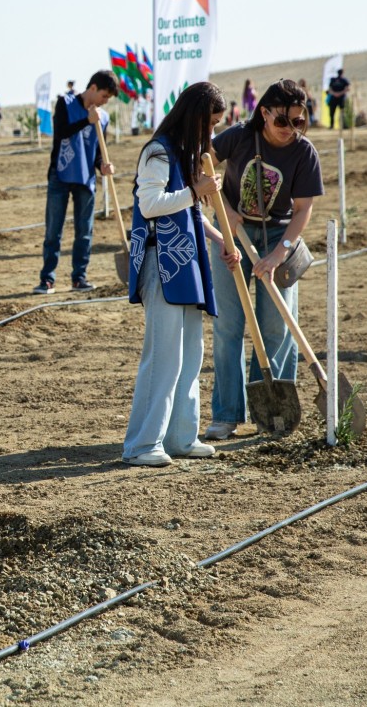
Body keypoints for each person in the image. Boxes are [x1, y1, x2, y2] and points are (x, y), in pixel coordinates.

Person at [122, 82, 236, 467]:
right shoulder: (157, 152)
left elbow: (191, 214)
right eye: (210, 124)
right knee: (163, 356)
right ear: (193, 117)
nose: (212, 132)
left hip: (188, 264)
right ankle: (142, 444)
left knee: (190, 354)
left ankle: (181, 437)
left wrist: (223, 241)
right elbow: (151, 205)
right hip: (162, 264)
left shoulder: (187, 155)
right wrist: (196, 189)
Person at [205, 79, 323, 441]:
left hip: (278, 237)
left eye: (298, 121)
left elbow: (303, 210)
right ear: (265, 113)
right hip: (231, 233)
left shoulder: (304, 153)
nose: (290, 129)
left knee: (276, 327)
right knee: (228, 326)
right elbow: (201, 166)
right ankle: (226, 415)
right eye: (282, 121)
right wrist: (224, 210)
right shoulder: (239, 136)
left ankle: (270, 412)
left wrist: (278, 254)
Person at [33, 69, 118, 294]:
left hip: (86, 179)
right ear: (93, 88)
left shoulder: (103, 118)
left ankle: (79, 278)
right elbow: (61, 132)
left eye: (108, 98)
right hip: (60, 176)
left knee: (85, 232)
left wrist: (102, 166)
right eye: (104, 96)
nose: (105, 101)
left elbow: (98, 152)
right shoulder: (65, 103)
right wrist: (86, 121)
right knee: (53, 231)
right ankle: (47, 279)